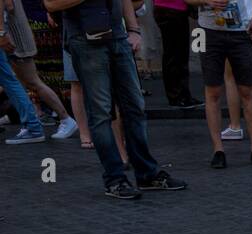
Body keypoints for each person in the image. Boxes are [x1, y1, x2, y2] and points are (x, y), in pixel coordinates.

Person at [44, 0, 187, 196]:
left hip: (118, 36)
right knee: (101, 111)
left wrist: (134, 29)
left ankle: (147, 173)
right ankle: (115, 179)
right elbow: (51, 4)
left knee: (135, 105)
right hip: (86, 41)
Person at [190, 0, 252, 167]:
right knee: (213, 91)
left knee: (247, 89)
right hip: (207, 32)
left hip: (240, 30)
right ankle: (218, 150)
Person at [3, 0, 78, 135]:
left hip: (15, 36)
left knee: (31, 81)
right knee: (27, 82)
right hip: (16, 33)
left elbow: (9, 5)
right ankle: (59, 119)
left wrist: (1, 31)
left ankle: (64, 119)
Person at [151, 0, 199, 105]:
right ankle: (177, 96)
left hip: (170, 9)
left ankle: (181, 95)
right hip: (172, 9)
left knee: (177, 55)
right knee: (175, 55)